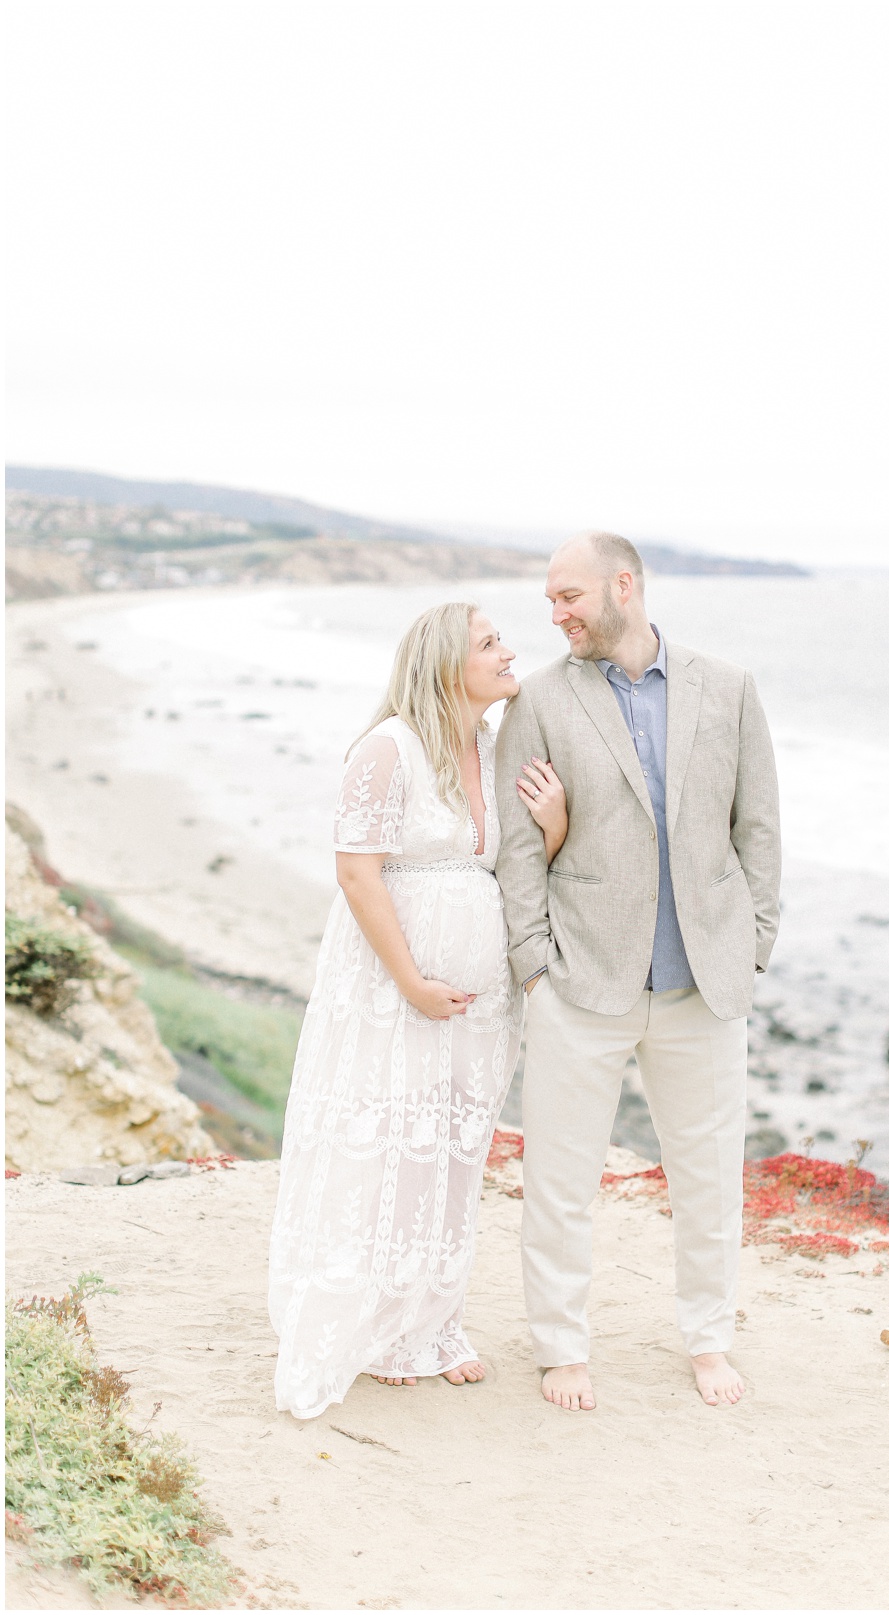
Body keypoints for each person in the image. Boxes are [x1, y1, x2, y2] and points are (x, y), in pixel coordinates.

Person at [495, 532, 781, 1413]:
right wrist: (535, 967)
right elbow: (517, 849)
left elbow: (758, 830)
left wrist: (754, 942)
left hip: (704, 982)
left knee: (708, 1176)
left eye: (569, 595)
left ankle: (708, 1337)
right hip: (582, 979)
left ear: (626, 585)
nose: (556, 614)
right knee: (561, 1177)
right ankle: (561, 1343)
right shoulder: (539, 699)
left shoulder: (728, 688)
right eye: (550, 600)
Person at [269, 602, 567, 1419]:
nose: (510, 652)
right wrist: (409, 979)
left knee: (454, 1151)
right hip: (391, 987)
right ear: (446, 667)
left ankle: (435, 1322)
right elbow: (359, 873)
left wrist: (555, 825)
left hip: (482, 998)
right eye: (490, 643)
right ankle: (378, 1328)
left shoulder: (497, 747)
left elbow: (507, 864)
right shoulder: (386, 750)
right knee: (392, 1145)